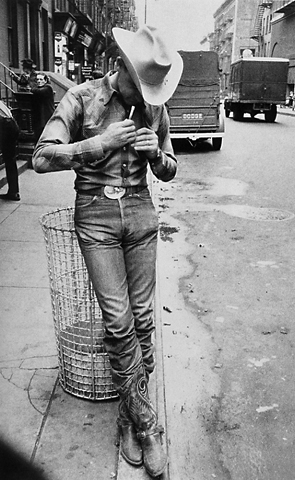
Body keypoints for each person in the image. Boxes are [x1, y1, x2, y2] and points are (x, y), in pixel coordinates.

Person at [32, 25, 183, 478]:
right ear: (121, 67)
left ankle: (127, 417)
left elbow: (171, 169)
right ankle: (147, 425)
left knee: (144, 320)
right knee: (118, 322)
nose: (149, 96)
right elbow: (41, 156)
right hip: (95, 213)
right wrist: (98, 144)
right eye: (143, 85)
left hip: (140, 212)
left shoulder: (156, 109)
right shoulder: (80, 98)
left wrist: (157, 154)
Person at [0, 100, 20, 201]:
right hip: (11, 124)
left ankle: (13, 192)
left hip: (5, 126)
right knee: (10, 161)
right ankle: (14, 192)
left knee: (9, 159)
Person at [30, 72, 55, 143]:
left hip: (46, 117)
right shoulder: (38, 88)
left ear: (45, 80)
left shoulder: (48, 88)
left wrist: (31, 89)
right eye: (37, 79)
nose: (38, 81)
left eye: (41, 79)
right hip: (39, 117)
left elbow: (39, 91)